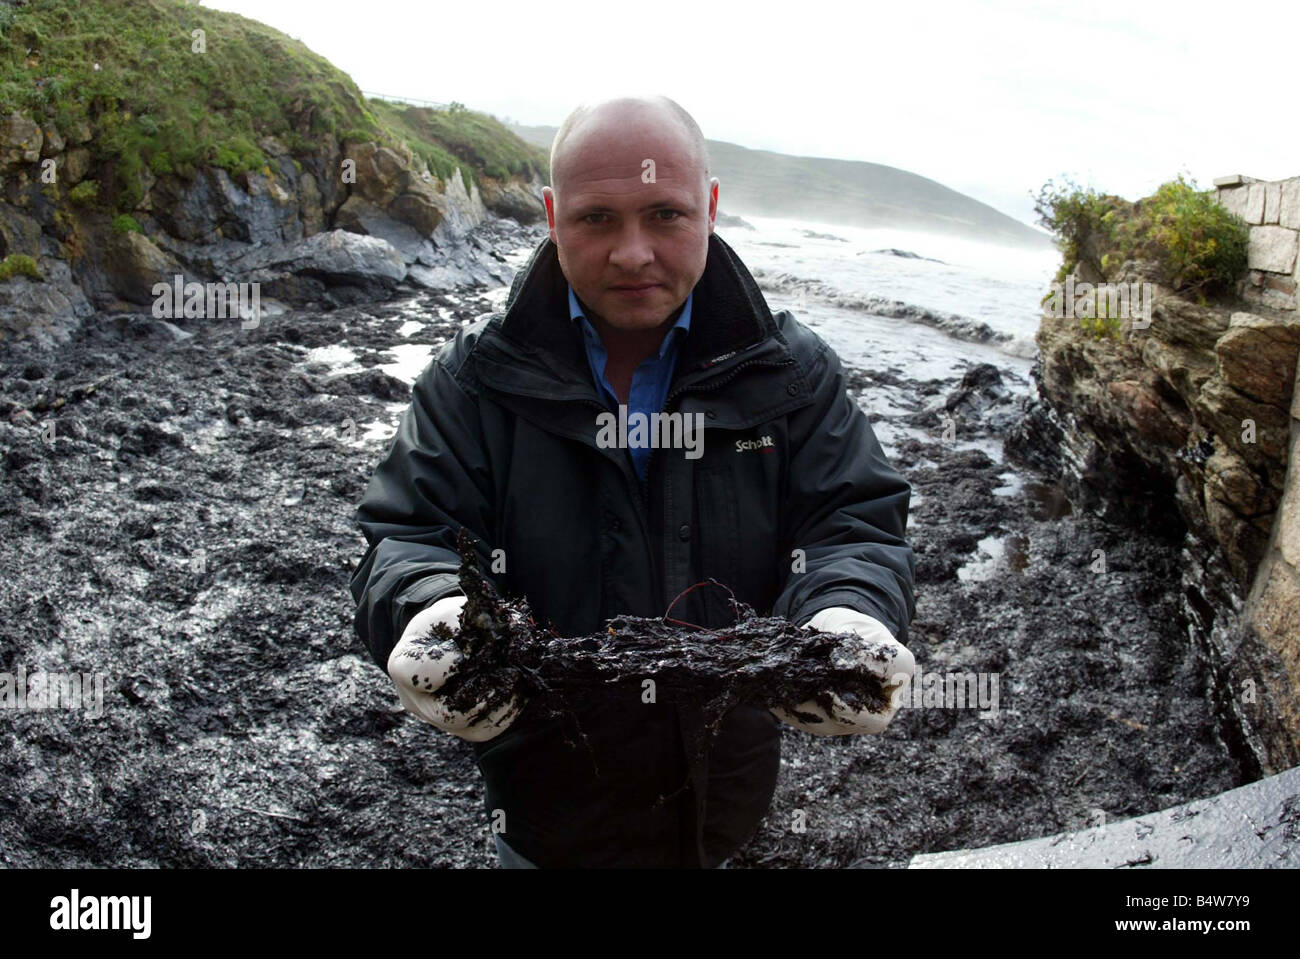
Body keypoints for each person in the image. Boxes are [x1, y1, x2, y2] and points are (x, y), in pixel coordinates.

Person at [350, 94, 917, 869]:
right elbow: (410, 533)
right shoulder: (474, 380)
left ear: (710, 208)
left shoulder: (792, 375)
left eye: (665, 215)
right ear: (551, 216)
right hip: (544, 818)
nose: (632, 253)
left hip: (722, 812)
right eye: (596, 219)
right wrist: (434, 610)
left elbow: (850, 521)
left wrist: (846, 610)